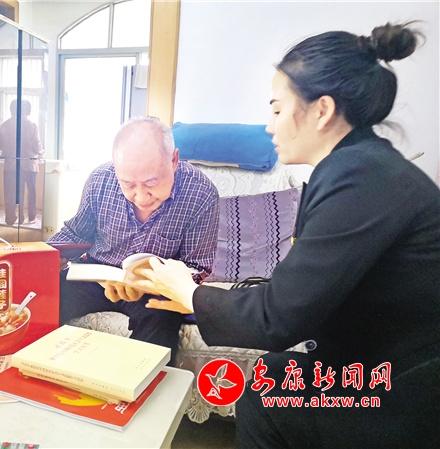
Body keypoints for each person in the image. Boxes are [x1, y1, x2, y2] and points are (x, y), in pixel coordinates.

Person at [137, 23, 440, 447]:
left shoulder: (362, 178)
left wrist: (189, 293)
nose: (269, 127)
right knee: (274, 375)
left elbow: (278, 318)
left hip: (402, 388)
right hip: (374, 363)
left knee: (268, 401)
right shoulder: (354, 167)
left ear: (322, 110)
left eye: (278, 110)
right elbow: (299, 292)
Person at [47, 116, 219, 363]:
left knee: (162, 317)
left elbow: (197, 266)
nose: (141, 196)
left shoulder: (201, 193)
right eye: (128, 184)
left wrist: (148, 283)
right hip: (97, 276)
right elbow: (76, 233)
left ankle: (141, 382)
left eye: (151, 182)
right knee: (44, 298)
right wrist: (44, 257)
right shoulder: (100, 180)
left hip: (154, 286)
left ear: (174, 161)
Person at [0, 99, 44, 225]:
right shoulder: (32, 125)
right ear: (28, 110)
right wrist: (41, 152)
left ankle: (10, 218)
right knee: (31, 191)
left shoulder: (5, 125)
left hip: (11, 164)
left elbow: (0, 145)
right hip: (29, 164)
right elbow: (37, 146)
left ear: (11, 109)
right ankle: (31, 217)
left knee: (10, 192)